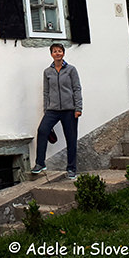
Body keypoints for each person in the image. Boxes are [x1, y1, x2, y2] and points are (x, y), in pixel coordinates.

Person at [31, 43, 83, 180]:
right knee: (42, 130)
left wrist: (78, 108)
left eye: (60, 51)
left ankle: (71, 169)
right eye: (55, 51)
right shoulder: (47, 72)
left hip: (69, 110)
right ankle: (40, 163)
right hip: (52, 110)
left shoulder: (71, 70)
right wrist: (46, 109)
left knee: (71, 139)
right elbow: (46, 92)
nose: (57, 53)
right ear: (51, 54)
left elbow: (77, 89)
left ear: (63, 53)